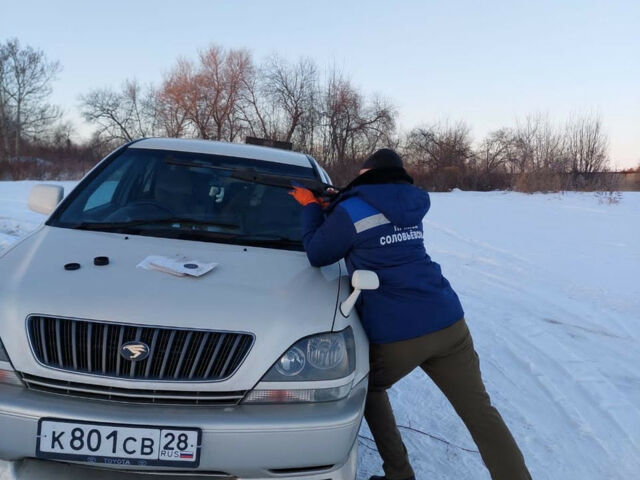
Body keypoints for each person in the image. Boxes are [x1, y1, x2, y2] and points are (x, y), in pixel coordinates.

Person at [289, 149, 532, 480]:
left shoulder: (352, 209)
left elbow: (318, 253)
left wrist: (310, 208)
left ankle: (399, 474)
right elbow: (375, 226)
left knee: (365, 386)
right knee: (480, 412)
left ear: (367, 174)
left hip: (399, 332)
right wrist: (335, 206)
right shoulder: (410, 206)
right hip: (449, 322)